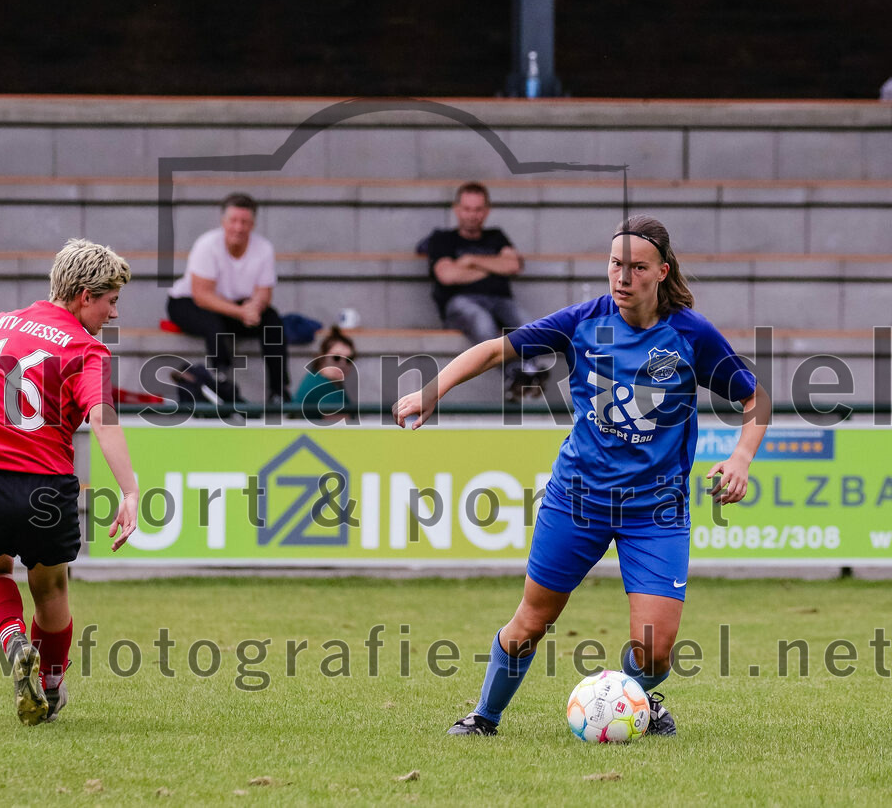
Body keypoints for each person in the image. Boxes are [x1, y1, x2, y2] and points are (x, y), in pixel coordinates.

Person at [394, 215, 770, 737]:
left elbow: (755, 397)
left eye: (637, 267)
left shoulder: (690, 334)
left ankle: (625, 696)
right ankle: (484, 716)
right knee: (532, 620)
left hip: (655, 509)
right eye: (616, 264)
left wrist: (741, 457)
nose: (623, 277)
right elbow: (494, 349)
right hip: (578, 497)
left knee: (657, 649)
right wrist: (433, 389)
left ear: (661, 271)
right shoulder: (583, 322)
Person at [0, 239, 139, 725]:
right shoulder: (85, 348)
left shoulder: (2, 323)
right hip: (43, 487)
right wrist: (130, 490)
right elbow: (103, 418)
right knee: (50, 588)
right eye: (111, 300)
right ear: (84, 295)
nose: (113, 314)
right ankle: (50, 687)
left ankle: (12, 640)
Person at [422, 181, 545, 400]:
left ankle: (527, 370)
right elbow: (447, 275)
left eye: (478, 209)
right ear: (457, 209)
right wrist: (492, 267)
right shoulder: (442, 239)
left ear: (486, 211)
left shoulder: (496, 236)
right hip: (461, 303)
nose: (472, 215)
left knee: (528, 324)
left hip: (500, 302)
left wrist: (469, 261)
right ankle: (516, 372)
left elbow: (513, 265)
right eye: (467, 209)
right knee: (481, 321)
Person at [166, 192, 290, 404]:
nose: (239, 227)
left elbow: (265, 292)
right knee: (213, 323)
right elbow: (202, 296)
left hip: (234, 306)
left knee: (272, 320)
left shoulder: (264, 248)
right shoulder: (207, 245)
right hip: (187, 303)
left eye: (244, 222)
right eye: (233, 221)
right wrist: (242, 312)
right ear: (223, 222)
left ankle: (279, 390)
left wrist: (256, 307)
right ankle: (220, 380)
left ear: (253, 224)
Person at [293, 326, 356, 415]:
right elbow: (343, 425)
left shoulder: (323, 381)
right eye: (336, 358)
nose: (343, 364)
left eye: (349, 359)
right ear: (322, 358)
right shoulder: (323, 388)